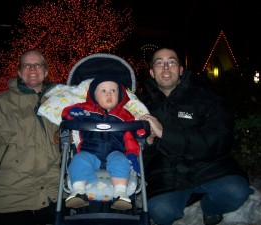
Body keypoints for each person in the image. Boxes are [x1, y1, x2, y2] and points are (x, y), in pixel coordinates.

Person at [139, 46, 254, 225]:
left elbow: (218, 141)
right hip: (168, 175)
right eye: (159, 63)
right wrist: (149, 142)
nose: (166, 67)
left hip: (209, 168)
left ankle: (210, 207)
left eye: (172, 62)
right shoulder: (141, 107)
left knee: (237, 191)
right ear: (152, 72)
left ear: (181, 70)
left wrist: (164, 133)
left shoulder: (207, 98)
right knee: (161, 212)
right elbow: (139, 158)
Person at [0, 50, 61, 225]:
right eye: (26, 65)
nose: (32, 68)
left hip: (52, 196)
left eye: (38, 64)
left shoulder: (59, 102)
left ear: (46, 71)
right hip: (10, 198)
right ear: (19, 72)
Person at [61, 75, 140, 211]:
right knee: (79, 160)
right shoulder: (86, 110)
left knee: (121, 161)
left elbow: (130, 138)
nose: (109, 93)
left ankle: (120, 193)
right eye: (103, 91)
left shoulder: (125, 115)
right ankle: (79, 192)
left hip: (115, 151)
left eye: (113, 91)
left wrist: (132, 154)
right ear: (94, 96)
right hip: (89, 151)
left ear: (120, 95)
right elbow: (66, 113)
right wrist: (74, 113)